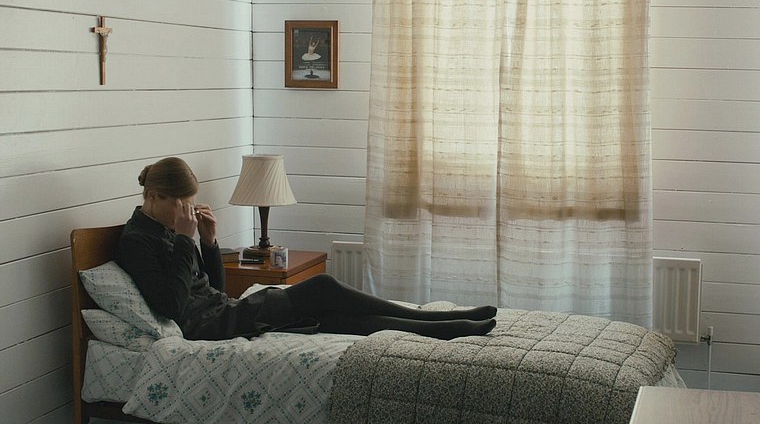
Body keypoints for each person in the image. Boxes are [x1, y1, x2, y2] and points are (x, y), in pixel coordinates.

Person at [116, 157, 496, 341]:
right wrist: (186, 241)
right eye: (180, 204)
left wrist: (208, 243)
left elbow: (215, 289)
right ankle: (442, 324)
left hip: (226, 311)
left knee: (336, 319)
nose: (186, 211)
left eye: (189, 204)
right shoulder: (136, 241)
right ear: (154, 196)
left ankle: (443, 325)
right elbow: (171, 305)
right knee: (322, 287)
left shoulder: (169, 229)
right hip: (212, 327)